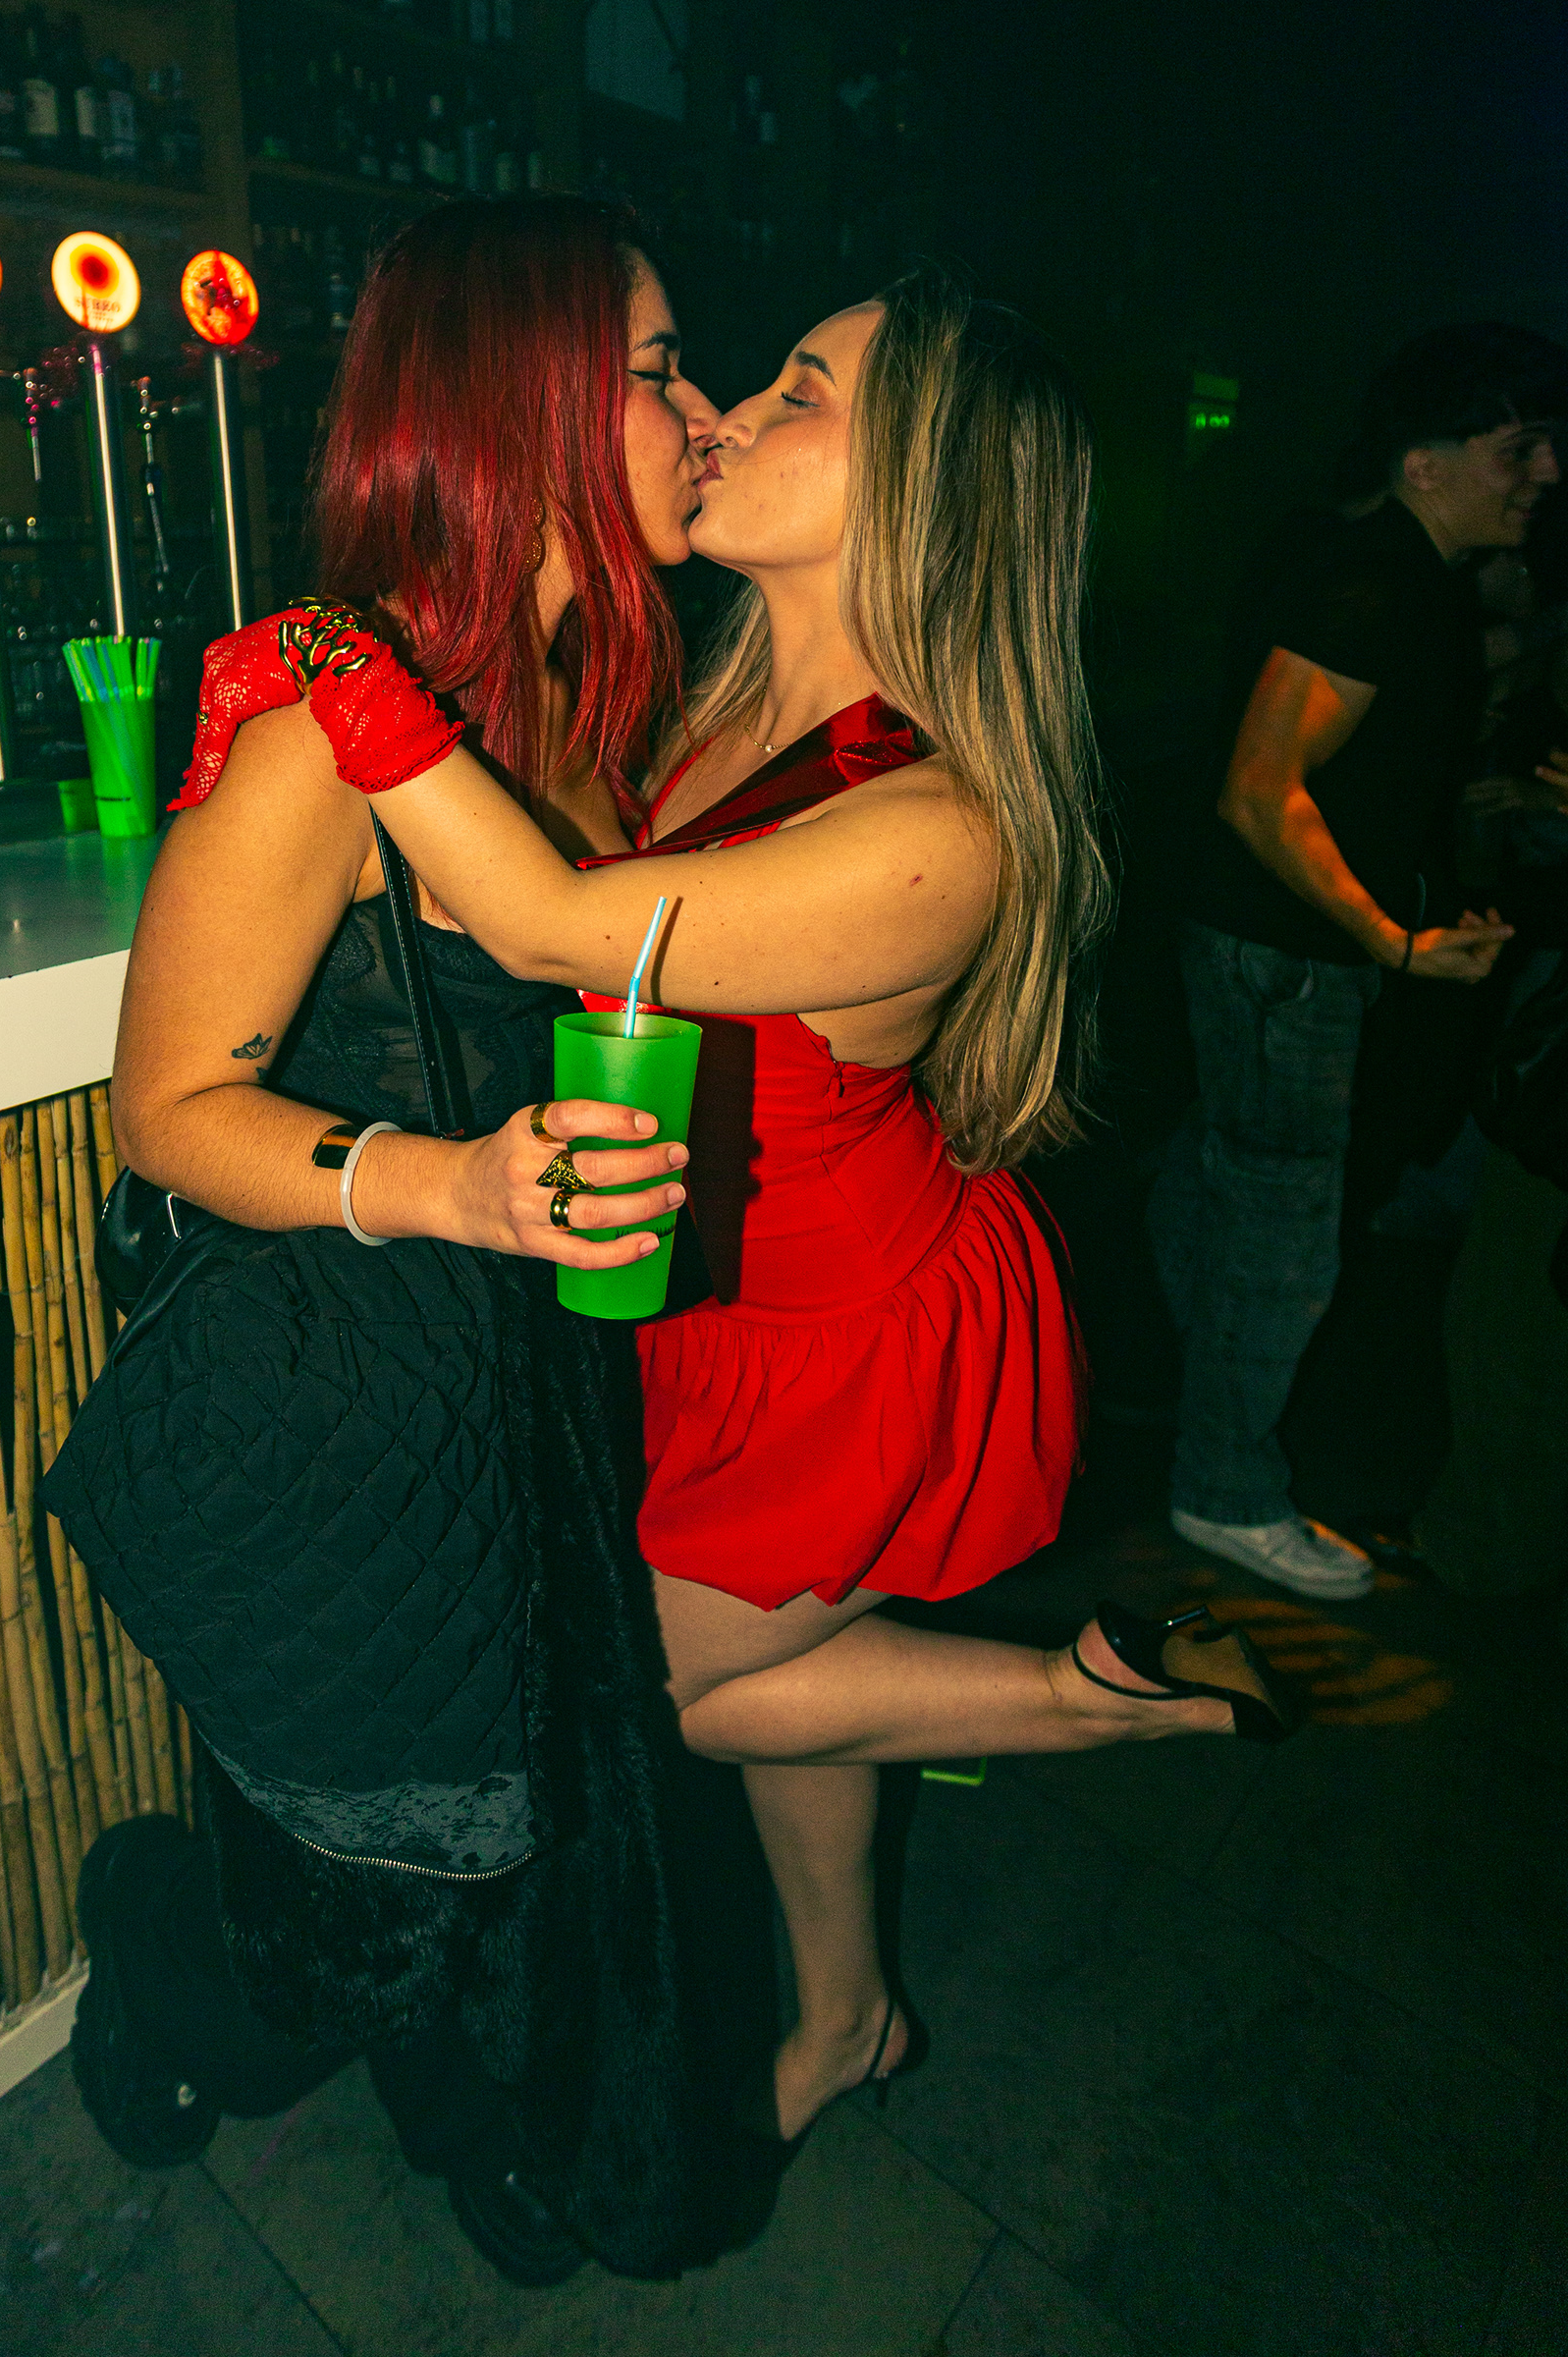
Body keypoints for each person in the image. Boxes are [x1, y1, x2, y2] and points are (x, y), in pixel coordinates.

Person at [188, 267, 1296, 2153]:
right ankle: (850, 2013)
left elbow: (554, 923)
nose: (724, 415)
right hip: (712, 1293)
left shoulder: (943, 821)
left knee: (655, 1692)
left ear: (926, 486)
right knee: (770, 1660)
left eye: (799, 391)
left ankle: (1088, 1699)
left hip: (852, 1334)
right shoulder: (713, 703)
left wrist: (328, 665)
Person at [44, 195, 739, 2283]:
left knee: (531, 1812)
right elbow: (166, 1111)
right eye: (657, 372)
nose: (701, 413)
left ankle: (482, 2114)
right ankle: (161, 1968)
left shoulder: (585, 709)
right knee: (351, 1905)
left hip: (529, 1383)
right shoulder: (316, 735)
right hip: (344, 1409)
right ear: (528, 406)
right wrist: (445, 1183)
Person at [1149, 323, 1567, 1602]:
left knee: (1223, 1186)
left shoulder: (1409, 580)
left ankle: (1196, 1406)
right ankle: (1226, 1489)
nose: (1545, 473)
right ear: (1425, 462)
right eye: (1517, 449)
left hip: (1274, 954)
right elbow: (1260, 789)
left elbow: (1356, 783)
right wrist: (1391, 940)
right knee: (1283, 1232)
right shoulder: (1373, 581)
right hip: (1283, 961)